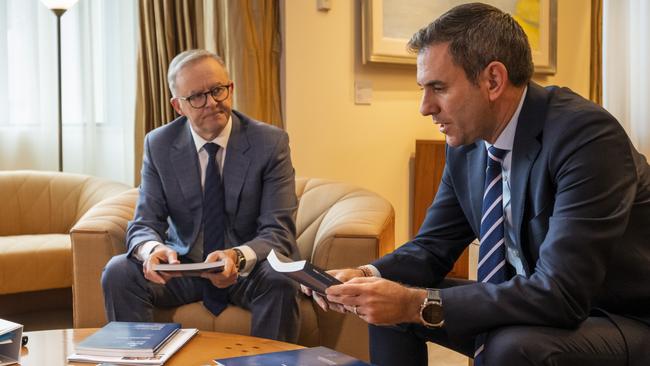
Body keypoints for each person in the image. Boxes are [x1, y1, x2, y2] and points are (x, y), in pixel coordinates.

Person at [306, 3, 650, 365]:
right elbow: (432, 248)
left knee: (511, 345)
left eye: (438, 88)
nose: (425, 107)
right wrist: (366, 276)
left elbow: (561, 293)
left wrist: (414, 304)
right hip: (540, 304)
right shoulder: (468, 147)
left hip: (617, 316)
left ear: (493, 81)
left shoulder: (586, 138)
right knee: (388, 307)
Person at [102, 49, 300, 343]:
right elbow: (144, 222)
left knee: (281, 279)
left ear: (230, 88)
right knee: (118, 271)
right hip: (184, 268)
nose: (211, 103)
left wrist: (236, 256)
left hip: (248, 270)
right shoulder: (159, 144)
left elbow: (278, 230)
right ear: (178, 105)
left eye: (218, 90)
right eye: (196, 97)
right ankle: (135, 361)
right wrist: (152, 251)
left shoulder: (269, 143)